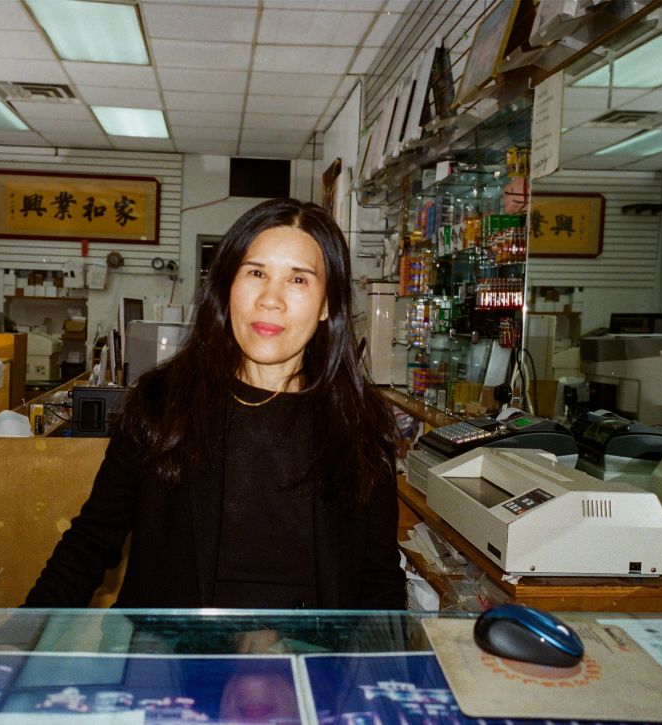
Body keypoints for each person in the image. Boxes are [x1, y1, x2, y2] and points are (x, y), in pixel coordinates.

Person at [24, 197, 405, 610]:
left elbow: (379, 578)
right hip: (174, 659)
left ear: (326, 305)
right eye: (256, 272)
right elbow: (91, 541)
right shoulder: (161, 405)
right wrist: (17, 642)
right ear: (226, 286)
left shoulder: (360, 426)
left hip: (312, 663)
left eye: (298, 280)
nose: (270, 299)